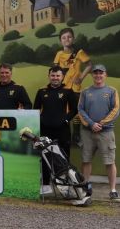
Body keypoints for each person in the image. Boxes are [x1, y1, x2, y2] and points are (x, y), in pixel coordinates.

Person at [33, 66, 78, 194]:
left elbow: (75, 110)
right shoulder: (42, 92)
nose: (55, 78)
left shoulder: (68, 91)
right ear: (49, 76)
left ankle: (65, 187)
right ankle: (46, 185)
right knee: (45, 156)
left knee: (63, 158)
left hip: (62, 131)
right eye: (53, 75)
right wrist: (41, 120)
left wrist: (65, 120)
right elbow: (35, 109)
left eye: (58, 75)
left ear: (62, 77)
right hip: (45, 130)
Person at [77, 64, 119, 200]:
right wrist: (91, 124)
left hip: (105, 132)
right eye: (95, 73)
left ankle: (113, 190)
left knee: (109, 161)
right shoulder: (85, 91)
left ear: (105, 75)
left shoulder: (112, 91)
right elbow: (80, 110)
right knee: (86, 160)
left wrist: (101, 123)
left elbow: (116, 109)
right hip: (87, 132)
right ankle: (85, 187)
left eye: (101, 73)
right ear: (92, 75)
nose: (98, 75)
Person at [53, 27, 92, 143]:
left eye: (69, 37)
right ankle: (62, 136)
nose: (67, 39)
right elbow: (55, 70)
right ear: (61, 41)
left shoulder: (79, 53)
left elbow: (89, 65)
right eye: (64, 38)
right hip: (62, 88)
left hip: (75, 88)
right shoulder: (59, 54)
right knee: (61, 111)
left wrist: (81, 77)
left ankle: (76, 136)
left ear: (73, 39)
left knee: (76, 112)